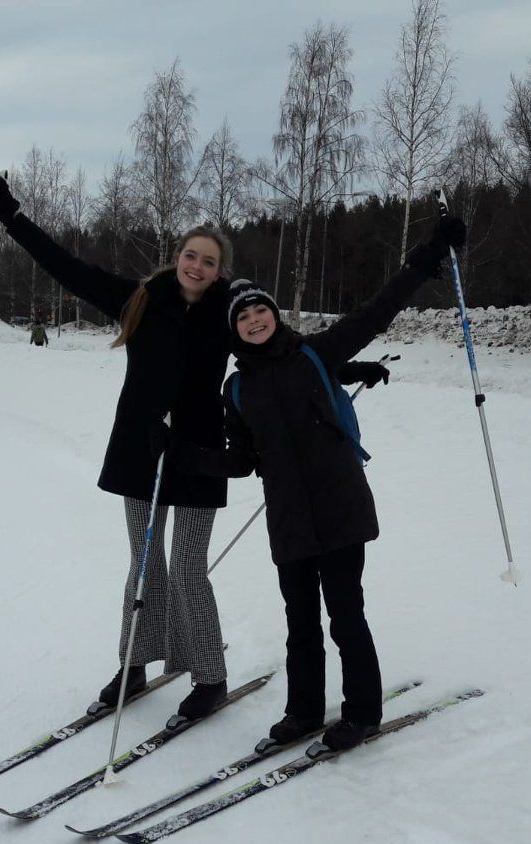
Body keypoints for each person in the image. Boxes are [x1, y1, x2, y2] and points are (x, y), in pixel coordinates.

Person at [168, 214, 466, 751]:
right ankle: (303, 712)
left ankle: (362, 714)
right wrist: (181, 454)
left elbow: (376, 313)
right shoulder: (237, 391)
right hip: (289, 521)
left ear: (274, 314)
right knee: (300, 622)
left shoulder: (316, 353)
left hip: (340, 508)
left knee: (346, 616)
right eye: (243, 316)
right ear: (234, 329)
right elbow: (241, 462)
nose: (254, 320)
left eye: (260, 310)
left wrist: (425, 259)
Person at [0, 173, 234, 719]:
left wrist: (336, 369)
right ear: (177, 257)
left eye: (209, 261)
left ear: (220, 271)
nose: (197, 266)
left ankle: (210, 676)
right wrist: (12, 218)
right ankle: (134, 664)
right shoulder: (139, 298)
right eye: (191, 255)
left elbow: (278, 346)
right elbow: (66, 267)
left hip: (200, 456)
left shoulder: (230, 310)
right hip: (141, 450)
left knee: (188, 568)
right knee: (144, 563)